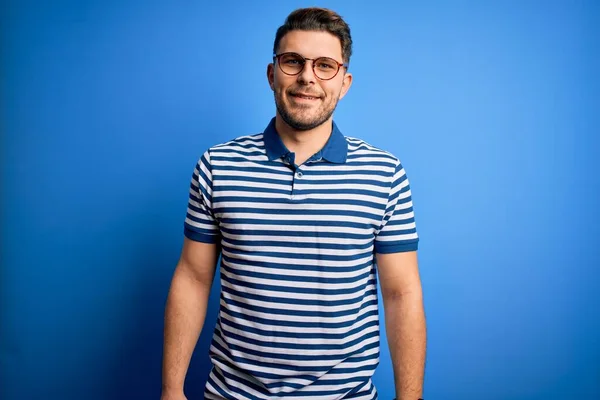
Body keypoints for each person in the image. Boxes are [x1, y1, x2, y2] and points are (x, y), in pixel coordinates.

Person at [161, 7, 426, 400]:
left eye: (324, 66)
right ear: (272, 74)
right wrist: (171, 391)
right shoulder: (217, 165)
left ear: (345, 82)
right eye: (292, 61)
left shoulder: (384, 173)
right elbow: (193, 278)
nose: (307, 77)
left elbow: (401, 293)